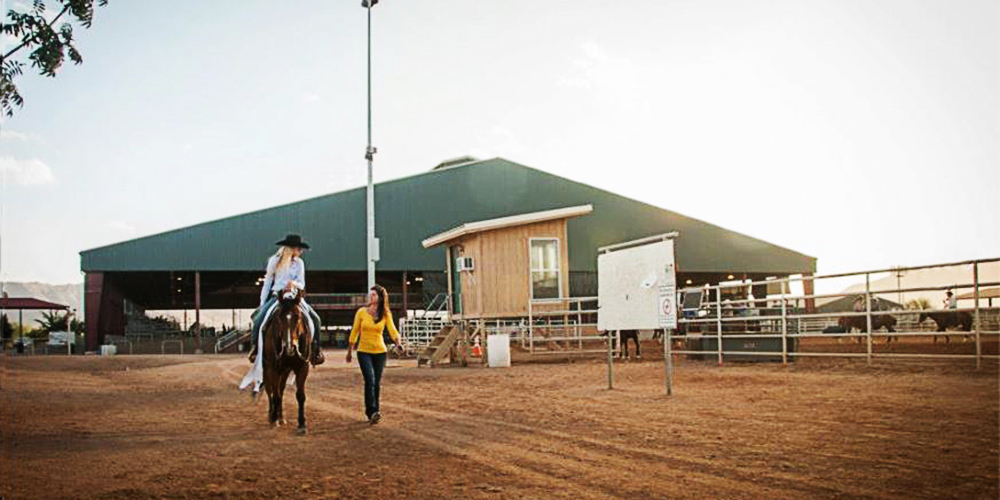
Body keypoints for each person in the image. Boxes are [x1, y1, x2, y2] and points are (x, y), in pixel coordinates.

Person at [248, 234, 324, 366]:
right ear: (291, 248)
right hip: (277, 296)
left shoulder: (300, 263)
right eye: (299, 248)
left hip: (295, 297)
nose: (301, 251)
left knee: (316, 319)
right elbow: (267, 284)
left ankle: (316, 351)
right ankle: (255, 349)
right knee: (258, 320)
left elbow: (302, 283)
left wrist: (293, 284)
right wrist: (262, 304)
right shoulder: (274, 261)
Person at [346, 284, 403, 424]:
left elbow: (392, 330)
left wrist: (398, 343)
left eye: (373, 294)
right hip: (363, 351)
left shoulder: (385, 313)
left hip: (380, 352)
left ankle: (376, 412)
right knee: (370, 380)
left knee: (376, 383)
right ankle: (370, 410)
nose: (370, 296)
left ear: (380, 297)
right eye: (370, 294)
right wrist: (349, 350)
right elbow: (355, 331)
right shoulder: (361, 312)